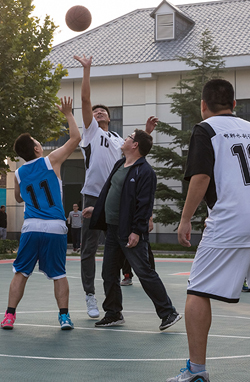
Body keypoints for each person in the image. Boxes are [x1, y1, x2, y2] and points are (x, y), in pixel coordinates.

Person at [165, 79, 250, 382]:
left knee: (197, 289)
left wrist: (185, 218)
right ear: (234, 104)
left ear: (203, 105)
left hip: (232, 219)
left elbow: (201, 177)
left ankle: (196, 372)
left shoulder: (205, 129)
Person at [73, 54, 158, 319]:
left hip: (117, 198)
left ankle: (118, 298)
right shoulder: (91, 132)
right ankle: (90, 294)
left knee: (119, 247)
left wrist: (146, 133)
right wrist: (87, 70)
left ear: (110, 118)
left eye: (103, 111)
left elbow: (135, 156)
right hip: (92, 196)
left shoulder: (120, 139)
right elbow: (85, 100)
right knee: (89, 248)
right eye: (95, 111)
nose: (98, 112)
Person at [83, 129, 181, 331]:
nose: (125, 138)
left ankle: (168, 312)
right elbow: (109, 192)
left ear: (135, 145)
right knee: (109, 273)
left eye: (129, 137)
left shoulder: (145, 172)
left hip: (129, 231)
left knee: (144, 272)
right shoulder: (120, 164)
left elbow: (144, 204)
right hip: (112, 230)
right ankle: (113, 313)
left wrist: (137, 231)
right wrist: (97, 209)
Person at [0, 97, 80, 331]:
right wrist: (68, 114)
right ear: (36, 148)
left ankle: (9, 316)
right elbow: (75, 138)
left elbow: (18, 198)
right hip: (55, 226)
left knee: (21, 273)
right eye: (37, 141)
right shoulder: (50, 160)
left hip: (31, 226)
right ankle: (64, 317)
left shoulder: (19, 173)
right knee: (59, 274)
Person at [120, 218, 155, 286]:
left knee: (147, 250)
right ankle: (127, 275)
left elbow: (146, 211)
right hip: (125, 225)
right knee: (126, 250)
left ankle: (151, 276)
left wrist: (150, 220)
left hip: (139, 225)